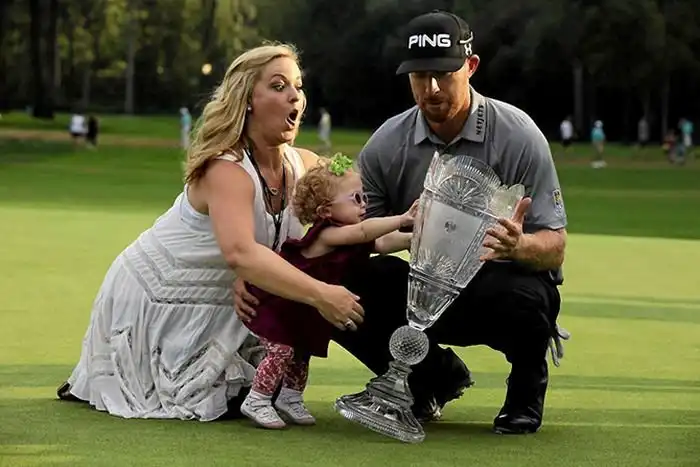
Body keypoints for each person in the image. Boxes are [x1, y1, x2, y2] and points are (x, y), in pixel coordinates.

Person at [237, 11, 568, 435]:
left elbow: (555, 246)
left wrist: (519, 246)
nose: (431, 89)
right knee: (337, 279)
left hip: (496, 285)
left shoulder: (518, 135)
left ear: (470, 66)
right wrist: (271, 272)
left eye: (443, 74)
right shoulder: (389, 143)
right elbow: (349, 237)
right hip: (424, 285)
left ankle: (525, 391)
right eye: (420, 76)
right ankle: (430, 381)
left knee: (531, 297)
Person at [56, 43, 365, 422]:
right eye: (279, 86)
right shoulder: (226, 170)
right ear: (247, 100)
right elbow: (241, 253)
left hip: (228, 303)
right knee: (219, 400)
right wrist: (319, 294)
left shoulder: (305, 165)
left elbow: (355, 204)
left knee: (256, 388)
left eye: (298, 87)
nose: (294, 97)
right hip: (163, 295)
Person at [239, 154, 417, 429]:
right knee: (282, 351)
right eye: (355, 199)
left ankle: (290, 397)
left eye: (364, 198)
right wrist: (403, 218)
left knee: (303, 353)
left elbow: (381, 243)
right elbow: (364, 232)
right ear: (325, 211)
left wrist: (412, 238)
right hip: (281, 306)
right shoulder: (328, 234)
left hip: (305, 310)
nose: (364, 205)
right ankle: (257, 398)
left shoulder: (351, 233)